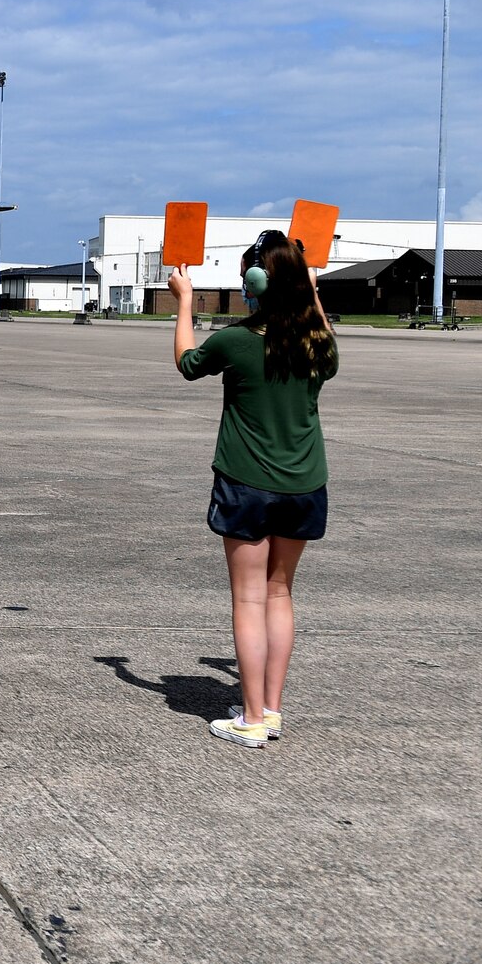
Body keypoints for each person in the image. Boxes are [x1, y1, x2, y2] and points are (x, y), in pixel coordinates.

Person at [170, 230, 338, 748]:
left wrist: (184, 303)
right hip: (305, 484)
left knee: (248, 600)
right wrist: (313, 293)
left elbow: (186, 363)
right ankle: (272, 708)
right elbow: (327, 347)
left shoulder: (236, 340)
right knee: (280, 593)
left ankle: (251, 719)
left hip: (246, 484)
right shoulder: (316, 344)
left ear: (254, 283)